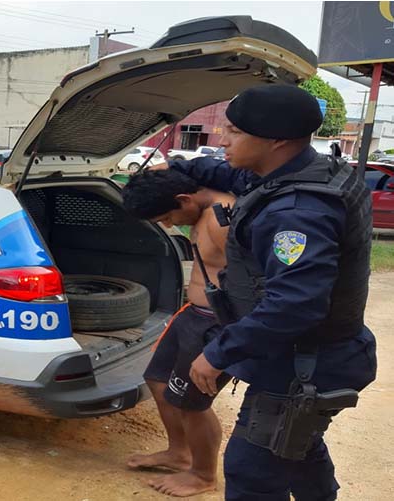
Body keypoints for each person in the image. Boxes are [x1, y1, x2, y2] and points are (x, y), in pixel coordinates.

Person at [160, 84, 377, 500]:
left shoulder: (298, 213)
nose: (222, 139)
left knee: (252, 473)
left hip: (304, 364)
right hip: (317, 353)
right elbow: (234, 175)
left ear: (277, 140)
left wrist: (218, 353)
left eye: (234, 132)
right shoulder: (305, 171)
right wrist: (179, 164)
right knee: (297, 446)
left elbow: (295, 305)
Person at [121, 170, 235, 497]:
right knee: (158, 378)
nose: (170, 225)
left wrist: (225, 344)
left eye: (168, 218)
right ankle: (179, 453)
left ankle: (203, 474)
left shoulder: (223, 220)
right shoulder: (194, 201)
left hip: (216, 323)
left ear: (184, 200)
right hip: (192, 314)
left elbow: (257, 284)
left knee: (193, 402)